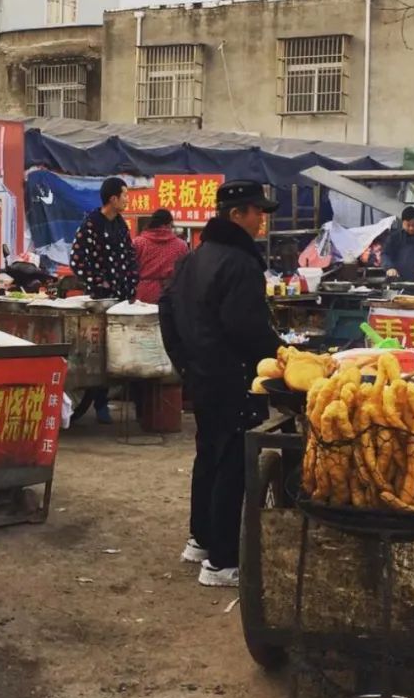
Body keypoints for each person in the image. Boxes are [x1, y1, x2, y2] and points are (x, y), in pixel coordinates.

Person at [159, 181, 282, 588]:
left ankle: (200, 540)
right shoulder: (240, 263)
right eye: (256, 211)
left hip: (202, 375)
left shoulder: (193, 258)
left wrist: (186, 364)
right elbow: (246, 327)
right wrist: (281, 354)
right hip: (233, 377)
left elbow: (166, 311)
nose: (261, 219)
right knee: (231, 463)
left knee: (209, 454)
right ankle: (221, 562)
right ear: (236, 215)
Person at [68, 177, 139, 424]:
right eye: (125, 195)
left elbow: (130, 256)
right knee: (97, 352)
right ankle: (98, 403)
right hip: (99, 302)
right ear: (113, 198)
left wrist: (132, 284)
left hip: (121, 301)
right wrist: (100, 284)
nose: (128, 200)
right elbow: (77, 260)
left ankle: (105, 399)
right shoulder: (91, 224)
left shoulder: (121, 225)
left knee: (114, 352)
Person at [132, 208, 189, 305]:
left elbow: (130, 269)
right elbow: (186, 273)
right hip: (170, 293)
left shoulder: (138, 243)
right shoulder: (181, 246)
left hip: (143, 294)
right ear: (170, 224)